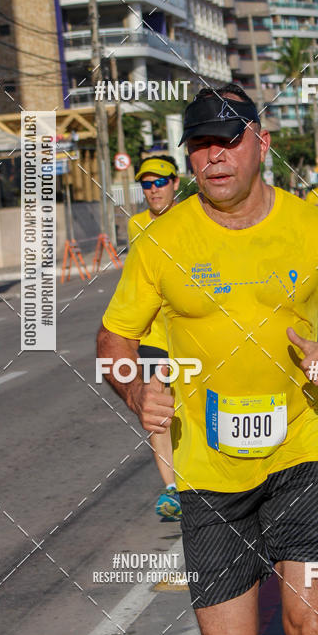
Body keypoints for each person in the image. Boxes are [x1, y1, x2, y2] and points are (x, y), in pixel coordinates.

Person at [97, 83, 318, 635]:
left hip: (300, 452)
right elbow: (114, 338)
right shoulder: (161, 242)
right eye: (200, 144)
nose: (214, 156)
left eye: (228, 140)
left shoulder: (314, 228)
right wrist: (134, 389)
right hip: (208, 470)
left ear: (261, 142)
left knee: (313, 625)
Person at [128, 156, 182, 520]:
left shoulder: (195, 217)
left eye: (160, 182)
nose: (153, 190)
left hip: (193, 331)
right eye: (146, 184)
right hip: (155, 335)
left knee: (193, 408)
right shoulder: (136, 225)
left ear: (175, 183)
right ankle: (173, 489)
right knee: (158, 409)